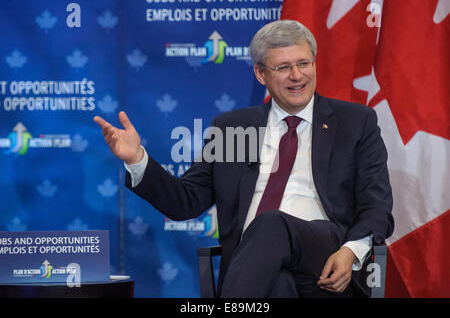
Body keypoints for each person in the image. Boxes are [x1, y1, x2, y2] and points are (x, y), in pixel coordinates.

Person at [94, 20, 394, 297]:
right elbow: (184, 201)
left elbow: (377, 207)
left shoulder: (355, 122)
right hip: (257, 268)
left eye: (304, 63)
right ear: (260, 73)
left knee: (272, 223)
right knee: (278, 284)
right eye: (284, 67)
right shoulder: (233, 128)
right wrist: (137, 159)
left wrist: (351, 252)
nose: (297, 75)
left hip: (328, 257)